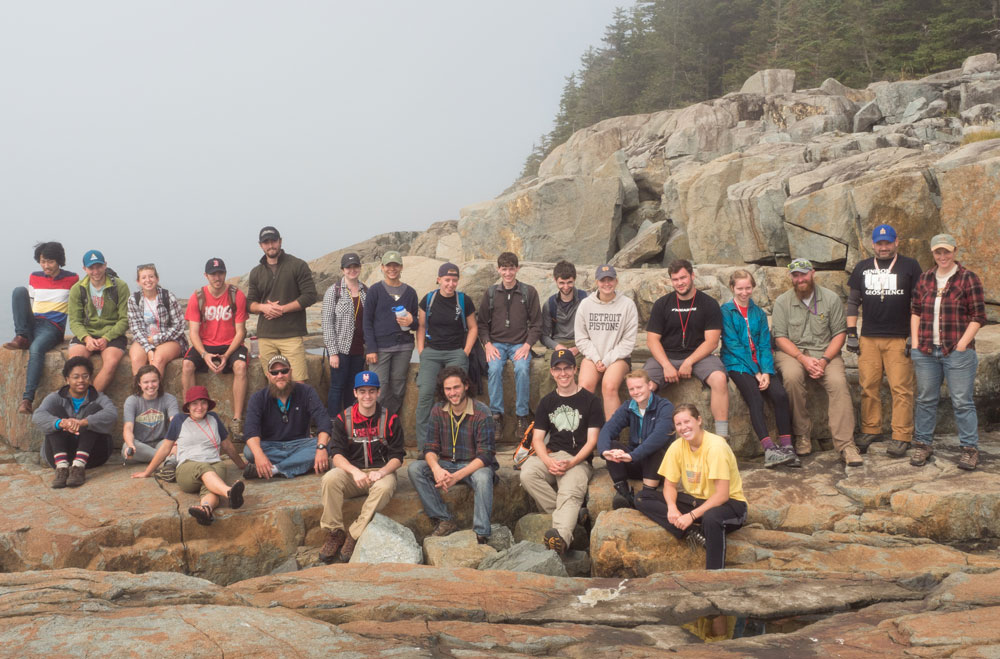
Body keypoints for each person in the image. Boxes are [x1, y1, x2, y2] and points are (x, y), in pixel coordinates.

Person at [772, 259, 863, 466]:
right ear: (790, 277)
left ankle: (846, 445)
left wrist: (823, 361)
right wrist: (802, 359)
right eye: (795, 275)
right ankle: (802, 435)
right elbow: (780, 338)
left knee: (839, 383)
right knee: (792, 378)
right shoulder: (782, 302)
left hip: (825, 353)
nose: (800, 279)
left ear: (813, 273)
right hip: (793, 353)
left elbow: (839, 334)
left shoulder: (830, 299)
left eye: (803, 274)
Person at [635, 404, 748, 570]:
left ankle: (714, 574)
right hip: (698, 502)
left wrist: (691, 516)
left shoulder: (716, 447)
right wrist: (672, 508)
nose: (683, 428)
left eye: (687, 421)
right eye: (678, 424)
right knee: (642, 497)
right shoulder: (677, 447)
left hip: (729, 504)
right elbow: (669, 485)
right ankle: (691, 533)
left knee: (711, 518)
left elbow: (722, 495)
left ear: (699, 420)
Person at [909, 234, 986, 471]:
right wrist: (914, 344)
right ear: (932, 253)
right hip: (925, 350)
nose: (942, 256)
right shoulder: (924, 279)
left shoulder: (968, 278)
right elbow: (915, 311)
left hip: (957, 352)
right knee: (925, 399)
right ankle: (923, 443)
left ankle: (969, 449)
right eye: (938, 252)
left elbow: (978, 316)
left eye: (947, 251)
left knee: (962, 401)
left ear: (954, 251)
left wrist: (962, 344)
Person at [846, 224, 923, 458]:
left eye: (888, 242)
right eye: (879, 244)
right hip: (869, 337)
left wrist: (913, 335)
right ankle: (871, 429)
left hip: (899, 338)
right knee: (868, 386)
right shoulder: (862, 267)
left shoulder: (910, 266)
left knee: (901, 389)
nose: (884, 247)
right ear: (873, 245)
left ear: (896, 242)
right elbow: (852, 302)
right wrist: (851, 332)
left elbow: (917, 304)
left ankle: (901, 435)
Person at [519, 349, 603, 554]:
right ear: (551, 372)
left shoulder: (591, 401)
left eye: (567, 368)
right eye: (558, 369)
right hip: (553, 456)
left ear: (575, 370)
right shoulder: (547, 402)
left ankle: (561, 540)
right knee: (527, 473)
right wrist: (547, 461)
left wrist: (573, 463)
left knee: (570, 493)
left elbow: (592, 442)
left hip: (578, 460)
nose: (563, 373)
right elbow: (537, 439)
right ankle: (570, 521)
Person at [318, 371, 405, 563]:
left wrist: (381, 472)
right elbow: (337, 454)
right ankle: (334, 532)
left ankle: (354, 533)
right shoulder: (343, 419)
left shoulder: (390, 418)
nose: (367, 396)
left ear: (378, 392)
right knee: (329, 479)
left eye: (371, 391)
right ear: (355, 393)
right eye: (363, 391)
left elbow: (398, 456)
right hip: (353, 474)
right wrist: (354, 471)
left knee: (384, 487)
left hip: (379, 474)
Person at [132, 386, 247, 526]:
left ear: (208, 405)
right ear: (188, 406)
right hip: (188, 467)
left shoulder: (214, 418)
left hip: (215, 464)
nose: (199, 407)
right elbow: (165, 449)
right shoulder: (179, 420)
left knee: (211, 487)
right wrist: (147, 472)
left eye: (203, 402)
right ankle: (229, 492)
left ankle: (206, 509)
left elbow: (227, 445)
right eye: (195, 403)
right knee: (203, 468)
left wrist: (241, 464)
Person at [407, 366, 498, 543]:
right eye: (448, 389)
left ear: (465, 386)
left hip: (474, 466)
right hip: (447, 463)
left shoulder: (482, 412)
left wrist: (456, 476)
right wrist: (436, 469)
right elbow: (430, 447)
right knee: (415, 469)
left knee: (483, 477)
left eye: (456, 387)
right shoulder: (437, 410)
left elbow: (486, 455)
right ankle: (445, 520)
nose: (452, 393)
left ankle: (481, 533)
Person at [643, 259, 730, 438]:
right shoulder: (662, 304)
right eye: (675, 279)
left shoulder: (709, 304)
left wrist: (689, 361)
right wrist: (666, 365)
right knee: (644, 386)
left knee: (719, 379)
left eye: (683, 278)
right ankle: (645, 435)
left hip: (700, 356)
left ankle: (722, 436)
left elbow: (712, 342)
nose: (680, 283)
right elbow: (652, 341)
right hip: (666, 356)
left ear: (692, 276)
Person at [720, 270, 798, 468]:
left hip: (760, 365)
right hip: (738, 364)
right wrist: (755, 372)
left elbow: (765, 345)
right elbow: (733, 345)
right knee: (755, 398)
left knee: (780, 394)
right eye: (740, 288)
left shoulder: (759, 313)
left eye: (748, 288)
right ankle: (770, 450)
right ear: (732, 288)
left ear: (753, 287)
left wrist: (765, 371)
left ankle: (788, 447)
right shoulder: (726, 312)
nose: (744, 292)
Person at [4, 241, 79, 415]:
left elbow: (79, 302)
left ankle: (27, 399)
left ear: (59, 261)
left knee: (36, 348)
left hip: (52, 326)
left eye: (50, 262)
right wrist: (26, 326)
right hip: (34, 321)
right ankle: (21, 336)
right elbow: (29, 303)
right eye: (42, 261)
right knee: (18, 291)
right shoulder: (34, 276)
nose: (46, 266)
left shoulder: (72, 278)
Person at [182, 257, 250, 439]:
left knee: (241, 367)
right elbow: (193, 333)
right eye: (213, 274)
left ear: (225, 274)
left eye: (220, 273)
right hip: (204, 344)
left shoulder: (236, 295)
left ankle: (236, 421)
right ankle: (190, 416)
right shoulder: (198, 297)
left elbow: (240, 332)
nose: (217, 277)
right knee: (187, 366)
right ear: (206, 276)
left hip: (231, 344)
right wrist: (204, 355)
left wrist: (227, 356)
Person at [415, 262, 478, 453]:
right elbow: (421, 326)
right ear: (439, 279)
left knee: (456, 395)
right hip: (432, 352)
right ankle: (425, 448)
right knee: (426, 393)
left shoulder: (463, 300)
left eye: (454, 280)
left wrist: (464, 352)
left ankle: (456, 445)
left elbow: (473, 327)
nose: (450, 284)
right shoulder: (429, 299)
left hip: (455, 352)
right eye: (447, 280)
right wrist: (421, 352)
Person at [477, 252, 542, 435]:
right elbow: (482, 323)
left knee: (522, 368)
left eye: (511, 269)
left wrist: (528, 345)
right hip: (496, 343)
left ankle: (522, 416)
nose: (508, 273)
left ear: (517, 269)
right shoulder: (491, 293)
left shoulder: (529, 292)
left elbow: (537, 324)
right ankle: (497, 416)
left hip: (520, 344)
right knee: (494, 369)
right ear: (498, 269)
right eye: (504, 269)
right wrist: (487, 345)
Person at [242, 355, 334, 479]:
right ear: (268, 375)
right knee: (249, 451)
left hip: (301, 444)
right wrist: (259, 455)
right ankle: (299, 463)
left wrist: (321, 447)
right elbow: (250, 430)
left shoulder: (306, 391)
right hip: (271, 445)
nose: (280, 375)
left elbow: (323, 420)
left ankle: (275, 469)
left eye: (284, 371)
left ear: (290, 372)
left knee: (328, 445)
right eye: (274, 373)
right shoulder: (258, 398)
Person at [32, 356, 117, 488]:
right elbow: (37, 416)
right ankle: (62, 468)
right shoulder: (55, 397)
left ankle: (78, 467)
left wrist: (83, 422)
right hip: (59, 454)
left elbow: (112, 413)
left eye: (85, 376)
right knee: (54, 413)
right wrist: (61, 423)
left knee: (94, 410)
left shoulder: (98, 397)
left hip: (91, 456)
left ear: (90, 378)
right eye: (76, 377)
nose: (81, 380)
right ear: (67, 379)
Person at [597, 369, 675, 510]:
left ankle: (647, 495)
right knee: (613, 445)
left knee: (655, 449)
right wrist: (604, 452)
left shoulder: (664, 406)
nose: (636, 392)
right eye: (631, 389)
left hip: (657, 468)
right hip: (634, 461)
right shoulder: (629, 407)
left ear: (650, 385)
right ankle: (624, 494)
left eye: (639, 387)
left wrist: (633, 455)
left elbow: (660, 435)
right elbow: (608, 429)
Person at [247, 226, 318, 378]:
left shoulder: (298, 265)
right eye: (266, 242)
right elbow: (249, 304)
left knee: (298, 382)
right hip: (265, 337)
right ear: (261, 245)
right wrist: (263, 307)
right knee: (273, 384)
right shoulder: (256, 272)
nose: (270, 245)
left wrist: (282, 309)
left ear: (280, 241)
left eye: (273, 241)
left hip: (291, 335)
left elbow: (310, 295)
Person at [575, 264, 638, 420]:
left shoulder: (627, 305)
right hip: (593, 357)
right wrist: (596, 358)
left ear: (616, 281)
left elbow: (628, 342)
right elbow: (581, 338)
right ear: (597, 282)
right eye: (603, 280)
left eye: (610, 280)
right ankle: (583, 432)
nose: (607, 284)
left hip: (618, 358)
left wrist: (607, 359)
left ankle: (611, 434)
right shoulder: (586, 305)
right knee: (585, 386)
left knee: (609, 386)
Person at [362, 250, 418, 418]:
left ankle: (389, 425)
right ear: (382, 267)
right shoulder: (375, 290)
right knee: (378, 387)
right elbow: (367, 322)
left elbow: (417, 322)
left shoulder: (410, 292)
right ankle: (373, 425)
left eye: (395, 265)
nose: (392, 269)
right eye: (388, 266)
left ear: (401, 267)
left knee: (398, 388)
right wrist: (370, 348)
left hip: (404, 347)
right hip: (380, 348)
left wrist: (411, 322)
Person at [67, 249, 130, 392]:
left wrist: (107, 338)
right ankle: (76, 400)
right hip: (87, 333)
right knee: (74, 363)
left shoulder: (120, 286)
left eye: (99, 266)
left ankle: (88, 400)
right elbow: (75, 321)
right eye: (91, 268)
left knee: (111, 362)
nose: (96, 271)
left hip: (112, 334)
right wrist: (87, 338)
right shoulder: (77, 289)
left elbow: (124, 319)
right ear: (84, 269)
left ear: (105, 265)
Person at [321, 252, 369, 418]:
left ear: (360, 268)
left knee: (353, 387)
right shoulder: (333, 292)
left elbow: (370, 321)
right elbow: (327, 323)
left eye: (355, 266)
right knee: (337, 387)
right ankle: (333, 424)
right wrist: (333, 352)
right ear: (342, 269)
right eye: (348, 267)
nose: (352, 270)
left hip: (358, 349)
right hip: (340, 349)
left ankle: (350, 421)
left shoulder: (366, 291)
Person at [126, 264, 187, 376]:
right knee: (136, 359)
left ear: (157, 279)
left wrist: (156, 339)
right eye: (143, 278)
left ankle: (156, 392)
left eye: (151, 276)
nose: (148, 280)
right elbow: (136, 328)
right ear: (138, 281)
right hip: (144, 339)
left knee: (157, 359)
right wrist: (149, 348)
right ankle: (139, 392)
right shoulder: (134, 299)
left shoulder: (168, 297)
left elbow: (179, 325)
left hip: (170, 339)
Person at [122, 365, 180, 472]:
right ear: (139, 383)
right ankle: (167, 461)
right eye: (146, 382)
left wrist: (175, 442)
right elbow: (128, 428)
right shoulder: (132, 400)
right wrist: (130, 445)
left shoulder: (169, 399)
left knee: (177, 444)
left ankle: (161, 460)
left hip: (162, 443)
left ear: (159, 381)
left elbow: (175, 422)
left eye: (154, 381)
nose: (150, 385)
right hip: (140, 445)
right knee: (126, 446)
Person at [540, 260, 587, 355]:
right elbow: (544, 336)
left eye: (569, 282)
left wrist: (578, 348)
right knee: (556, 365)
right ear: (555, 280)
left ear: (575, 279)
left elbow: (595, 331)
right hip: (558, 343)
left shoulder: (586, 299)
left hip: (581, 343)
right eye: (561, 283)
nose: (566, 287)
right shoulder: (549, 305)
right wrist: (557, 346)